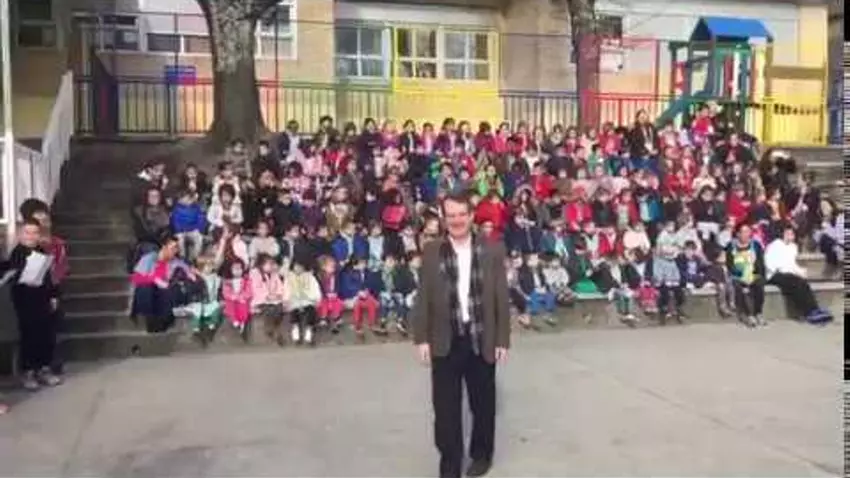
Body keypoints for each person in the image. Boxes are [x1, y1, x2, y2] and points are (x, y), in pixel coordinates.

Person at [413, 191, 511, 478]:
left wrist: (502, 340)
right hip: (445, 340)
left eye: (461, 214)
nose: (456, 220)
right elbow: (423, 297)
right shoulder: (432, 251)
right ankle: (450, 464)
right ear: (444, 219)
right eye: (451, 215)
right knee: (445, 411)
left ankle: (481, 455)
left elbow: (501, 298)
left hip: (481, 337)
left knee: (483, 405)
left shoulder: (492, 249)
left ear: (471, 216)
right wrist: (421, 338)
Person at [2, 220, 61, 391]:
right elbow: (12, 277)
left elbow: (49, 277)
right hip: (24, 301)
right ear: (21, 235)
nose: (31, 237)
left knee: (45, 334)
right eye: (27, 233)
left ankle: (44, 368)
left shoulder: (42, 251)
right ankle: (28, 372)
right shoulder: (17, 254)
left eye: (35, 233)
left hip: (41, 299)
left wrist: (53, 295)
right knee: (29, 336)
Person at [764, 226, 833, 324]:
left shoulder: (793, 247)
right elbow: (769, 263)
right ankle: (807, 312)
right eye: (787, 233)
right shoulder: (775, 245)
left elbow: (792, 264)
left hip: (788, 274)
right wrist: (786, 270)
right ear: (783, 234)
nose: (790, 236)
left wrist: (800, 272)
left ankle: (814, 309)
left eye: (792, 234)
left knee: (803, 283)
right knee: (795, 282)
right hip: (774, 274)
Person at [130, 235, 194, 333]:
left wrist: (191, 274)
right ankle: (150, 320)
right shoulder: (150, 258)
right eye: (173, 248)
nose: (175, 251)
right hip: (148, 293)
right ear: (164, 247)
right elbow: (136, 278)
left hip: (164, 294)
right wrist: (154, 279)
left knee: (173, 290)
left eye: (177, 248)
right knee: (145, 288)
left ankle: (162, 322)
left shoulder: (176, 261)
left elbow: (188, 270)